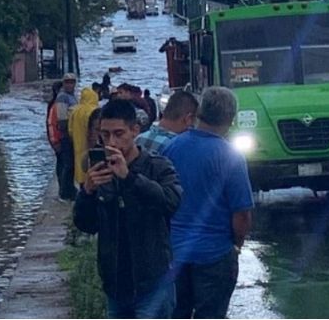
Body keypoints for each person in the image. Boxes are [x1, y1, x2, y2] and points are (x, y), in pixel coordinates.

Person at [73, 100, 183, 319]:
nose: (112, 141)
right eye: (105, 135)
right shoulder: (101, 171)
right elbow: (86, 224)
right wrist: (87, 192)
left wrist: (129, 178)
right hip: (115, 284)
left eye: (118, 133)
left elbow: (170, 202)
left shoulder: (157, 166)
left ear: (135, 130)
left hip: (152, 282)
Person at [162, 87, 254, 319]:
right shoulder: (231, 156)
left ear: (199, 113)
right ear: (231, 119)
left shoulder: (171, 147)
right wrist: (237, 245)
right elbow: (241, 214)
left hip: (175, 252)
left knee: (177, 313)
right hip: (215, 254)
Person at [69, 87, 100, 188]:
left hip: (77, 144)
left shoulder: (75, 110)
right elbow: (93, 130)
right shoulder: (93, 110)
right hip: (90, 145)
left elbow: (70, 130)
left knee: (80, 167)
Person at [55, 73, 79, 200]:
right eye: (67, 82)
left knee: (71, 165)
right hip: (66, 135)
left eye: (72, 82)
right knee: (68, 164)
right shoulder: (63, 98)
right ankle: (65, 193)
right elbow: (62, 119)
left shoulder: (73, 97)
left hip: (72, 134)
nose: (70, 84)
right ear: (63, 84)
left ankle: (69, 190)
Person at [46, 81, 64, 185]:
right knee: (62, 163)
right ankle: (62, 185)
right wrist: (54, 141)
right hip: (57, 139)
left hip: (57, 138)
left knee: (61, 162)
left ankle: (62, 184)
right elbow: (50, 124)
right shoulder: (54, 105)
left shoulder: (56, 103)